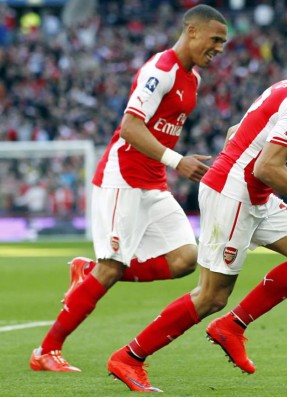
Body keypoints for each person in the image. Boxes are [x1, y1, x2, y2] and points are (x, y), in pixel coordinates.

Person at [106, 36, 287, 392]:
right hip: (234, 193)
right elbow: (267, 167)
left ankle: (231, 326)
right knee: (210, 296)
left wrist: (237, 162)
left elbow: (239, 131)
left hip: (249, 190)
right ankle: (130, 357)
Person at [29, 5, 228, 376]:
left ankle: (89, 271)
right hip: (124, 177)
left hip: (153, 180)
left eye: (223, 42)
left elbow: (160, 129)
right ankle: (47, 349)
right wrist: (177, 160)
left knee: (186, 258)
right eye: (215, 39)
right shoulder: (161, 70)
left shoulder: (193, 79)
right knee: (112, 267)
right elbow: (130, 128)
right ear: (192, 31)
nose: (219, 47)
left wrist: (174, 159)